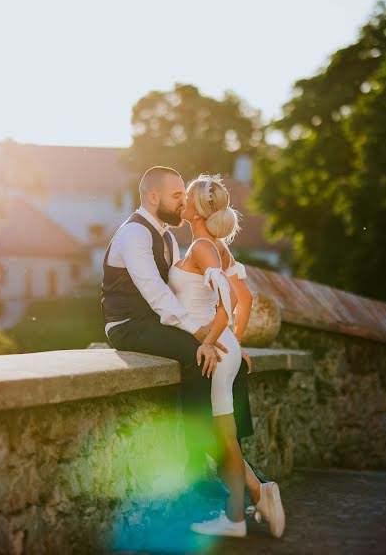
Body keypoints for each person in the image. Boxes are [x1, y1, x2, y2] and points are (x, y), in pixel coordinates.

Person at [101, 167, 282, 537]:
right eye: (175, 196)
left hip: (158, 324)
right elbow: (157, 294)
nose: (182, 201)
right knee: (198, 355)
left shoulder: (168, 238)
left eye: (185, 195)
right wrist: (204, 333)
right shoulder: (135, 234)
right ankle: (200, 464)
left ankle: (237, 467)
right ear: (152, 197)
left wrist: (227, 340)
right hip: (128, 328)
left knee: (227, 362)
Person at [171, 173, 285, 538]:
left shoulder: (202, 248)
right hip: (229, 350)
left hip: (216, 352)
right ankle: (251, 501)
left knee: (226, 439)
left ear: (196, 210)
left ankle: (236, 518)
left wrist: (210, 342)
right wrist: (236, 343)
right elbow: (246, 299)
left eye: (186, 197)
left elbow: (227, 304)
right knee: (227, 437)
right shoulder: (220, 247)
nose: (182, 202)